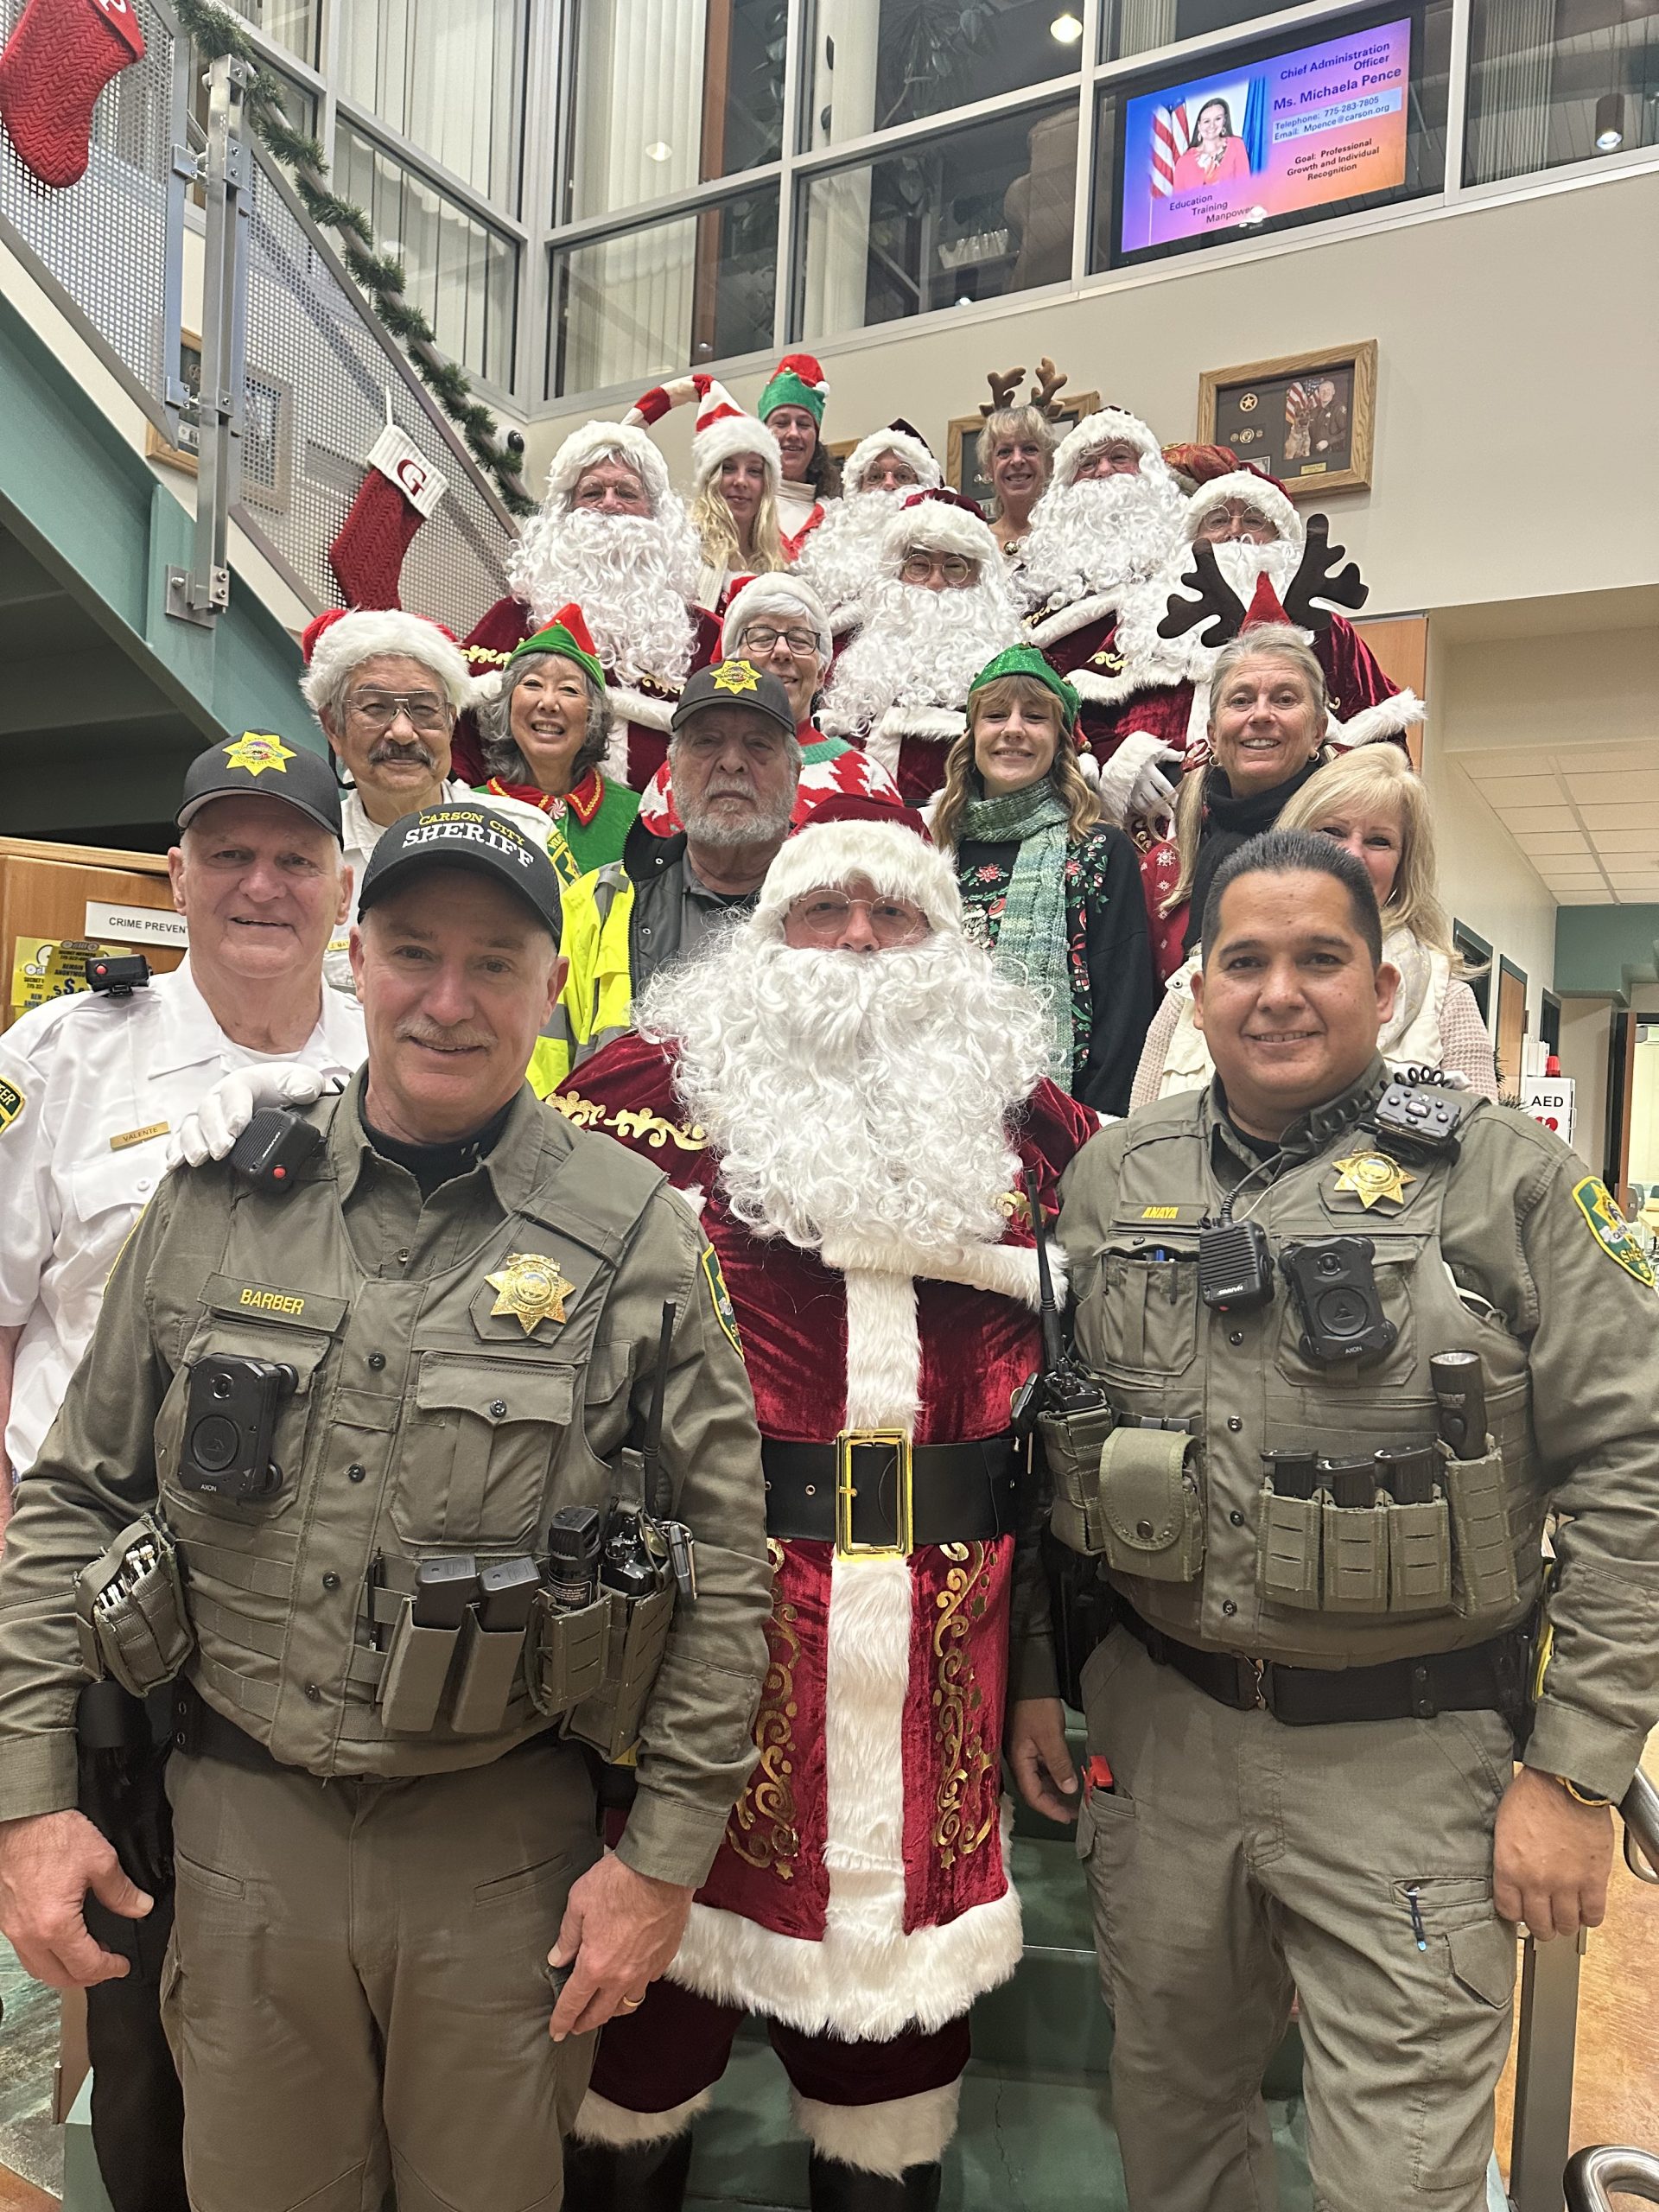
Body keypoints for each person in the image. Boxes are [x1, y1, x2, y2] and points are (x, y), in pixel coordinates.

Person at [0, 800, 772, 2212]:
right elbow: (72, 1499)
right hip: (241, 1834)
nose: (449, 998)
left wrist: (662, 1862)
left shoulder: (632, 1229)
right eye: (414, 951)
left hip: (499, 1857)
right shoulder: (216, 1201)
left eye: (496, 963)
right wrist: (29, 1799)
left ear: (551, 990)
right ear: (359, 956)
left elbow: (726, 1561)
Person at [1009, 825, 1659, 2212]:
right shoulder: (1116, 1181)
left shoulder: (1509, 1183)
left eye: (1322, 959)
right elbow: (1053, 1450)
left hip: (1414, 1760)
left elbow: (1633, 1472)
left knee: (1399, 2182)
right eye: (1245, 961)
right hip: (1161, 1736)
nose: (1280, 994)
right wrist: (1028, 1679)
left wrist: (1578, 1770)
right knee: (1171, 2138)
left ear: (1385, 984)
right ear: (1195, 990)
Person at [552, 806, 1096, 2211]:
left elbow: (1078, 1418)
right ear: (764, 933)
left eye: (894, 913)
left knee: (898, 2066)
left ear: (944, 940)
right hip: (704, 1644)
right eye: (822, 910)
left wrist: (1040, 1666)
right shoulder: (638, 1092)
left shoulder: (1033, 1122)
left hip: (945, 1654)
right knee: (641, 2040)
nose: (858, 940)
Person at [0, 736, 364, 2212]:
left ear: (345, 881)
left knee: (296, 2006)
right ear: (177, 873)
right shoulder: (56, 1060)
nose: (261, 884)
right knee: (126, 2014)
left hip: (309, 1624)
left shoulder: (400, 1056)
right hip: (92, 1625)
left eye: (295, 856)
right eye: (229, 853)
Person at [1135, 741, 1498, 1105]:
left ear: (1403, 866)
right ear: (1292, 837)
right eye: (1332, 832)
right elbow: (1140, 1141)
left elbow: (1483, 1152)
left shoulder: (1444, 998)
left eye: (1379, 841)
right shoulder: (1198, 979)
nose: (1353, 855)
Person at [531, 659, 803, 1091]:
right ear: (672, 772)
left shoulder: (841, 914)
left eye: (758, 745)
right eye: (707, 742)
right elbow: (540, 1083)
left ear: (795, 774)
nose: (731, 762)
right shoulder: (596, 904)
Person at [1084, 466, 1423, 801]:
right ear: (1192, 539)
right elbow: (1080, 720)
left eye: (1253, 520)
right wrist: (1121, 759)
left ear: (1280, 537)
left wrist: (1331, 778)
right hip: (1153, 829)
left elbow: (1386, 743)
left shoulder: (1327, 631)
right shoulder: (1141, 625)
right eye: (1217, 520)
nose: (1234, 531)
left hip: (1291, 827)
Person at [932, 647, 1157, 1117]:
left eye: (1034, 717)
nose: (1013, 729)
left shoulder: (1098, 851)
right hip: (936, 1111)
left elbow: (1125, 1007)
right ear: (972, 734)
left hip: (1061, 1122)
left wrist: (1088, 1132)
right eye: (996, 715)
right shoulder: (931, 854)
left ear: (1059, 740)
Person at [461, 416, 721, 791]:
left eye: (627, 493)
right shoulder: (510, 620)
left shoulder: (706, 635)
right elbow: (459, 736)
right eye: (592, 492)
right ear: (565, 513)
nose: (609, 505)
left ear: (656, 514)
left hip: (665, 836)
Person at [301, 605, 551, 990]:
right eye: (375, 708)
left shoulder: (526, 834)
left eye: (423, 709)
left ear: (450, 722)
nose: (402, 732)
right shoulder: (309, 854)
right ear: (334, 726)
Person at [1016, 407, 1189, 822]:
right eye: (1087, 464)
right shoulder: (1031, 591)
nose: (1102, 472)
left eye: (1118, 457)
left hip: (1173, 772)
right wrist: (1106, 755)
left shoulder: (1185, 567)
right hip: (1060, 785)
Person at [1139, 623, 1336, 979]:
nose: (1260, 715)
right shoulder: (1166, 869)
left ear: (1317, 732)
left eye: (1285, 699)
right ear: (1213, 735)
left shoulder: (1353, 850)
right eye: (1241, 700)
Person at [638, 575, 903, 836]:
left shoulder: (866, 780)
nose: (782, 651)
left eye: (800, 639)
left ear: (822, 673)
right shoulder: (686, 770)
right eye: (762, 637)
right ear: (732, 664)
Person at [818, 490, 1024, 807]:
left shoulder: (1013, 663)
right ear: (896, 574)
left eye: (954, 568)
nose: (936, 581)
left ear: (980, 580)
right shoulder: (857, 660)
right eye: (919, 565)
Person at [473, 602, 641, 887]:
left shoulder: (636, 819)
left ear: (592, 715)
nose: (548, 703)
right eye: (533, 684)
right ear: (508, 705)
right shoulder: (470, 811)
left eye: (569, 690)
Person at [795, 421, 942, 641]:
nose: (889, 485)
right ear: (857, 489)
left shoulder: (939, 547)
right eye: (875, 477)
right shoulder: (828, 548)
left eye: (902, 476)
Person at [757, 351, 839, 556]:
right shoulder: (737, 508)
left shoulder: (838, 520)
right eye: (782, 423)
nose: (793, 433)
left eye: (803, 424)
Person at [977, 401, 1056, 559]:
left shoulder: (1071, 537)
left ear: (1049, 463)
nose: (1017, 460)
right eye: (1004, 452)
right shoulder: (975, 542)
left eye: (1029, 449)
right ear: (989, 469)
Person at [1171, 96, 1250, 190]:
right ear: (1199, 126)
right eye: (1206, 121)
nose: (1212, 125)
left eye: (1218, 119)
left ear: (1224, 121)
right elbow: (1179, 202)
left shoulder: (1236, 145)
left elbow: (1245, 189)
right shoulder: (1184, 161)